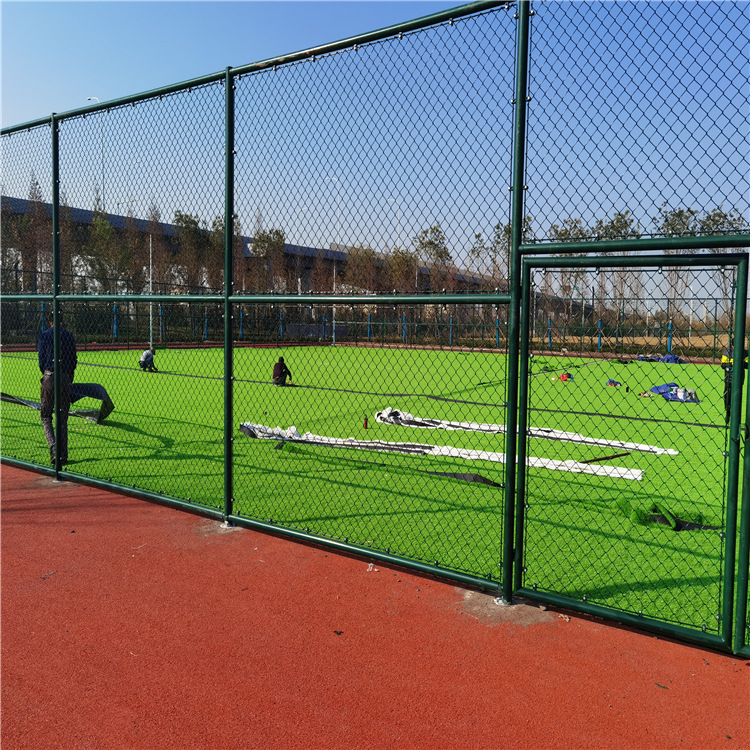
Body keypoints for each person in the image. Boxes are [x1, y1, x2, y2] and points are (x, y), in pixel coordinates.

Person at [38, 311, 77, 466]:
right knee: (62, 418)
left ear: (50, 321)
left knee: (46, 415)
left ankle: (54, 448)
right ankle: (63, 454)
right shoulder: (68, 336)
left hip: (50, 374)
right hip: (65, 376)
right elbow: (73, 359)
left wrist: (45, 372)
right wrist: (69, 376)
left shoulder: (45, 335)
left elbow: (41, 359)